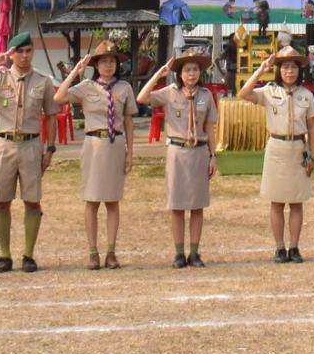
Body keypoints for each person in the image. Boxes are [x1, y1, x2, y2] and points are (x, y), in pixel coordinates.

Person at [0, 31, 57, 272]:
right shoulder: (0, 77)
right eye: (19, 51)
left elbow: (51, 116)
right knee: (2, 201)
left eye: (28, 51)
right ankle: (4, 255)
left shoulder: (43, 81)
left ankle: (28, 255)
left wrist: (50, 149)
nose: (25, 56)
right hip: (4, 144)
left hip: (31, 145)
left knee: (32, 201)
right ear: (12, 54)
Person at [54, 39, 136, 269]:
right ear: (96, 65)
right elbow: (59, 97)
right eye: (104, 62)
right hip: (93, 144)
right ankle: (93, 252)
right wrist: (75, 73)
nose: (109, 66)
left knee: (112, 200)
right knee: (91, 200)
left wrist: (130, 152)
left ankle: (111, 252)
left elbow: (128, 121)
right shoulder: (87, 86)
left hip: (115, 144)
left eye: (112, 61)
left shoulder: (124, 88)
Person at [137, 45, 218, 268]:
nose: (191, 74)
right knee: (177, 205)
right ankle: (179, 253)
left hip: (199, 152)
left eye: (195, 69)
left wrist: (213, 155)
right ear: (180, 74)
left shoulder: (206, 96)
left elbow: (210, 128)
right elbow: (142, 98)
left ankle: (195, 253)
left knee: (198, 205)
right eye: (187, 70)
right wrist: (158, 75)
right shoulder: (170, 92)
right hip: (177, 152)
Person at [239, 43, 314, 262]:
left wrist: (313, 155)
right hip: (276, 148)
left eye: (293, 67)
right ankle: (280, 248)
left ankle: (294, 247)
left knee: (297, 202)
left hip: (298, 149)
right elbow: (243, 93)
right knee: (276, 202)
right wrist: (261, 70)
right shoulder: (269, 91)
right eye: (285, 67)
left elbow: (312, 127)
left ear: (299, 70)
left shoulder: (306, 95)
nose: (289, 71)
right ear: (278, 70)